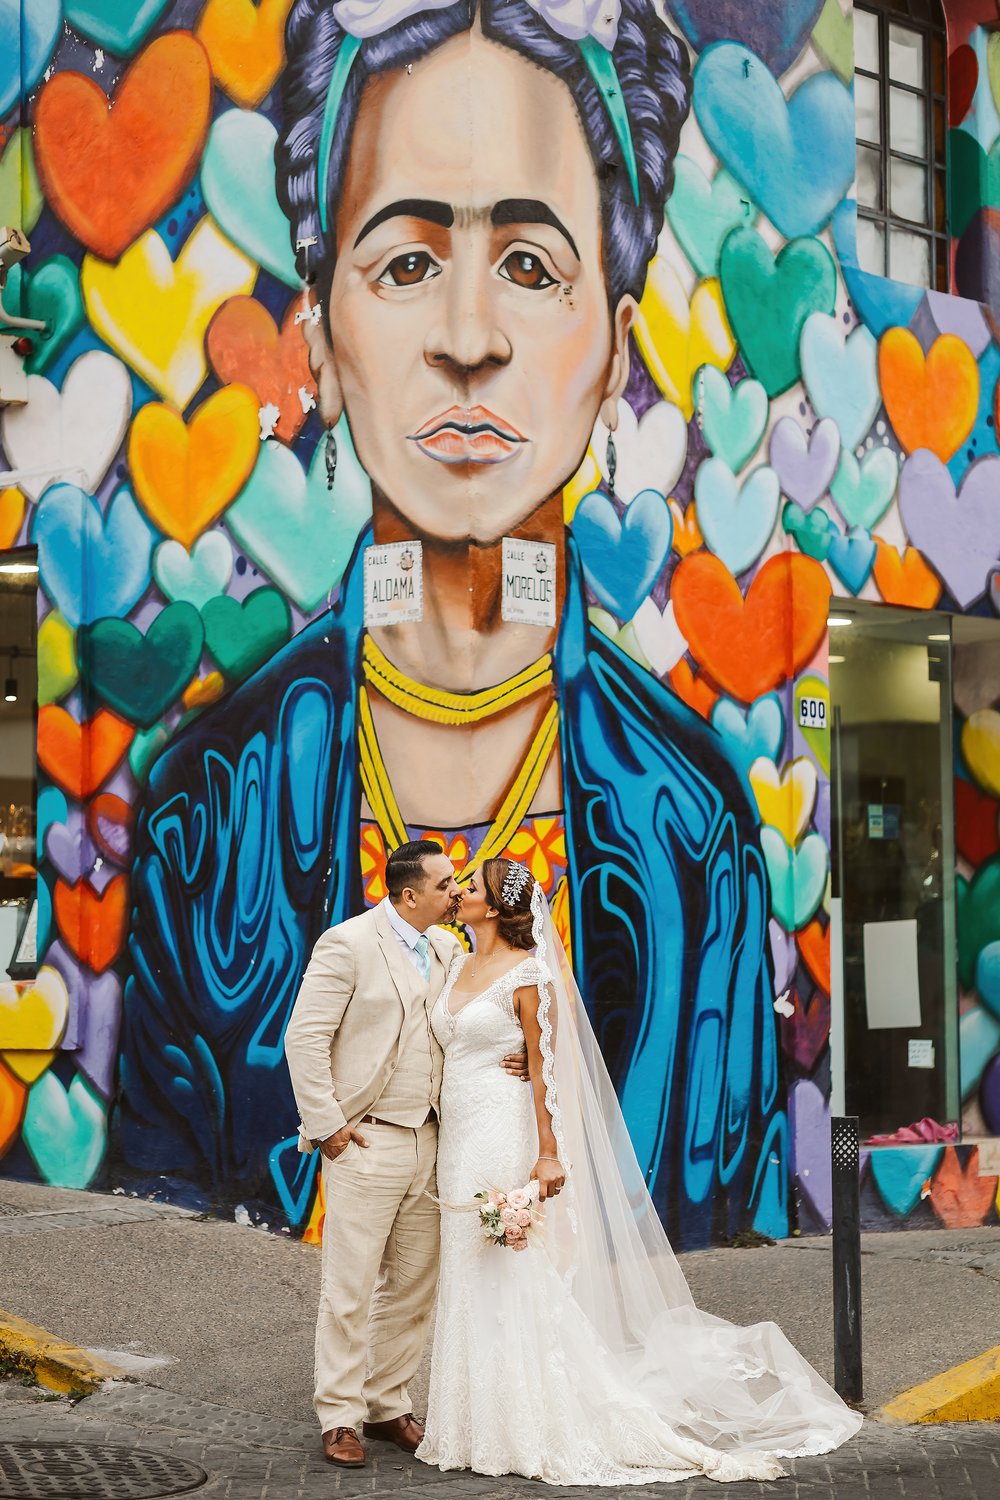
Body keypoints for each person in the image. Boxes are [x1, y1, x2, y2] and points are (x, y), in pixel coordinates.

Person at [121, 0, 781, 1250]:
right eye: (407, 262)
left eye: (531, 268)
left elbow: (728, 1173)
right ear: (319, 339)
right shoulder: (205, 803)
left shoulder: (692, 820)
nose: (470, 341)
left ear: (615, 353)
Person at [418, 858, 862, 1484]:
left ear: (493, 908)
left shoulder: (531, 974)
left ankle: (524, 1422)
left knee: (512, 1265)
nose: (459, 891)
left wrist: (548, 1154)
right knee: (468, 1266)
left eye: (471, 887)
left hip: (502, 1132)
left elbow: (547, 1069)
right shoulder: (453, 959)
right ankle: (469, 1423)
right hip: (458, 1136)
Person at [283, 838, 528, 1465]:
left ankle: (387, 1403)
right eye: (448, 885)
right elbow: (304, 1039)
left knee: (416, 1284)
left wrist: (526, 1052)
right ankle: (338, 1415)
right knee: (350, 1285)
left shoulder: (450, 948)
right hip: (366, 1137)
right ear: (409, 893)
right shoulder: (347, 944)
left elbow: (489, 1013)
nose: (457, 892)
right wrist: (329, 1127)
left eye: (459, 885)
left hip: (436, 1141)